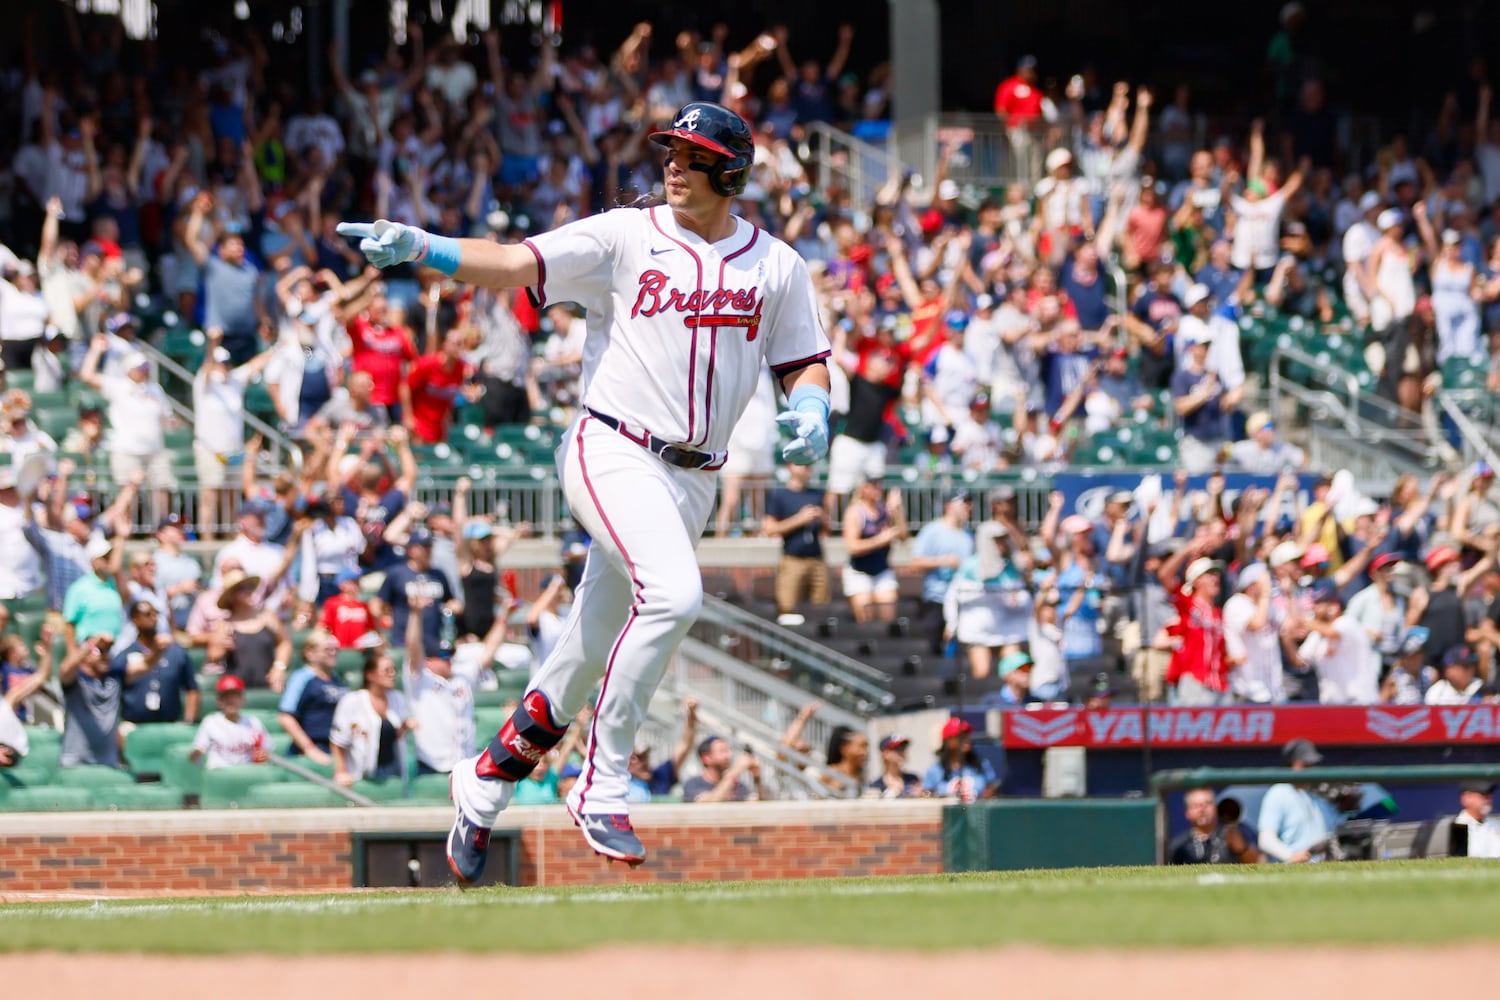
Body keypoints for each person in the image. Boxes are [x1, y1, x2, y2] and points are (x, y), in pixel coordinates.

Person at [341, 101, 831, 879]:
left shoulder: (776, 264)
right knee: (673, 596)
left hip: (695, 479)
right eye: (671, 149)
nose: (675, 163)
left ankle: (486, 780)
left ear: (730, 170)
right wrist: (423, 247)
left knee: (585, 649)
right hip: (613, 448)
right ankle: (601, 784)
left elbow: (803, 356)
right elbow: (511, 262)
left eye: (694, 154)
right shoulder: (625, 235)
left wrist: (811, 403)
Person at [943, 521, 1032, 681]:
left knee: (1015, 670)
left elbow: (1023, 595)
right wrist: (952, 623)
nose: (1000, 543)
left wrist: (1015, 598)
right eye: (995, 539)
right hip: (977, 633)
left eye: (1002, 539)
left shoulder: (1012, 565)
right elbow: (954, 596)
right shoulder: (970, 566)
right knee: (982, 673)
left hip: (1008, 631)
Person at [402, 593, 475, 776]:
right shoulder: (420, 679)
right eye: (443, 656)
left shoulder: (460, 679)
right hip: (431, 765)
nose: (449, 660)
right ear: (428, 661)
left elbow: (487, 656)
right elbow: (413, 645)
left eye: (450, 655)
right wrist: (416, 614)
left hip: (463, 764)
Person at [59, 633, 148, 768]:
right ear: (85, 656)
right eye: (100, 650)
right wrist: (91, 644)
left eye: (108, 651)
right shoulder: (75, 679)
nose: (105, 655)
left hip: (108, 763)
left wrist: (160, 649)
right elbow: (65, 669)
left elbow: (145, 666)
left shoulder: (114, 678)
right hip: (75, 763)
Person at [761, 463, 829, 627]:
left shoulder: (816, 495)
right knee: (788, 609)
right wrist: (799, 520)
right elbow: (769, 529)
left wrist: (822, 518)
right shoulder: (780, 495)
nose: (807, 469)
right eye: (802, 465)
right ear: (790, 467)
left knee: (821, 609)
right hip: (793, 559)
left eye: (809, 465)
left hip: (817, 559)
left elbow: (827, 529)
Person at [909, 491, 976, 655]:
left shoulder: (969, 535)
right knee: (933, 648)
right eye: (964, 503)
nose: (969, 507)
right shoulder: (932, 530)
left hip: (963, 599)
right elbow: (915, 563)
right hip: (937, 598)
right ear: (949, 506)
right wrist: (944, 561)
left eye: (970, 503)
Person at [331, 651, 412, 787]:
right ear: (370, 675)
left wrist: (407, 725)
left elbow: (399, 731)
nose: (392, 674)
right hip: (360, 773)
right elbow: (338, 742)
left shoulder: (397, 698)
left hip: (392, 770)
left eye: (393, 670)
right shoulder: (352, 701)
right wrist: (341, 771)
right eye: (386, 670)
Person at [116, 601, 199, 727]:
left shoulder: (175, 652)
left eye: (156, 614)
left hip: (170, 724)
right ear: (135, 619)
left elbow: (192, 688)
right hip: (134, 727)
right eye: (147, 614)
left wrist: (188, 721)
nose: (153, 617)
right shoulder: (125, 655)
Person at [276, 628, 347, 765]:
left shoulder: (336, 679)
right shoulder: (302, 678)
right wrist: (309, 749)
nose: (333, 653)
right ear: (310, 653)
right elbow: (285, 717)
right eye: (327, 650)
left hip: (335, 748)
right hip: (313, 749)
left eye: (334, 649)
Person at [1258, 739, 1334, 863]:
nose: (1310, 769)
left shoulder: (1314, 795)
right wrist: (1290, 856)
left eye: (1312, 764)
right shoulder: (1278, 792)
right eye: (1305, 764)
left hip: (1319, 866)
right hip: (1289, 869)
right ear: (1292, 764)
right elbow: (1265, 840)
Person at [841, 478, 906, 623]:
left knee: (887, 618)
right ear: (864, 488)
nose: (878, 489)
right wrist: (879, 540)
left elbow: (903, 536)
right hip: (859, 571)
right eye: (873, 486)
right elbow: (852, 547)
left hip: (882, 570)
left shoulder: (885, 510)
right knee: (866, 619)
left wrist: (898, 510)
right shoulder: (855, 512)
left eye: (879, 485)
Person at [1223, 563, 1285, 704]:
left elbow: (1291, 627)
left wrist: (1290, 593)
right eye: (1264, 580)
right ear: (1250, 585)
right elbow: (1256, 624)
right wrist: (1265, 594)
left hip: (1273, 690)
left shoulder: (1268, 604)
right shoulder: (1236, 603)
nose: (1269, 583)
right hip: (1247, 692)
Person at [188, 674, 272, 769]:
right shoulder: (211, 722)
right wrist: (196, 753)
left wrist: (264, 756)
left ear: (242, 699)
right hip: (220, 773)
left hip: (245, 773)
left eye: (234, 696)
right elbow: (197, 750)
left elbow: (267, 750)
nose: (230, 701)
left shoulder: (253, 722)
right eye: (226, 697)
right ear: (218, 701)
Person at [628, 697, 699, 803]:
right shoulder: (616, 784)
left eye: (646, 756)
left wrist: (691, 717)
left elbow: (684, 746)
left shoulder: (660, 777)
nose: (645, 762)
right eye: (639, 757)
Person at [922, 717, 997, 801]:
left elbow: (991, 792)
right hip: (948, 813)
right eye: (960, 735)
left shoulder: (981, 764)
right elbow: (926, 796)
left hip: (977, 812)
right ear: (948, 741)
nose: (966, 739)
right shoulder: (935, 770)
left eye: (967, 735)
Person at [682, 735, 765, 803]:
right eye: (723, 751)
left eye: (728, 750)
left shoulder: (737, 786)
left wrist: (757, 778)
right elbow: (710, 803)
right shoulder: (693, 784)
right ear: (706, 758)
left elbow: (761, 802)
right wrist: (735, 771)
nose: (728, 756)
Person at [1169, 788, 1233, 864]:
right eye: (1196, 806)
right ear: (1187, 813)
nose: (1202, 809)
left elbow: (1249, 865)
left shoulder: (1231, 836)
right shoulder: (1178, 845)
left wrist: (1242, 849)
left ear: (1216, 808)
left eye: (1207, 804)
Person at [1455, 781, 1500, 859]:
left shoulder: (1497, 825)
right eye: (1483, 794)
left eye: (1489, 794)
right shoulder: (1456, 826)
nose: (1488, 799)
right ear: (1467, 798)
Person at [869, 734, 921, 798]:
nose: (902, 752)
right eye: (898, 749)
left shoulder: (913, 779)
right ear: (885, 754)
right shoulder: (876, 785)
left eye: (904, 748)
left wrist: (921, 794)